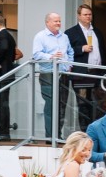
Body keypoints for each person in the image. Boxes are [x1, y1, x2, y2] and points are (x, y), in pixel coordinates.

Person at [27, 12, 72, 141]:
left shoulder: (64, 37)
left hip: (63, 74)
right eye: (55, 21)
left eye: (59, 21)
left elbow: (70, 51)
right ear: (47, 22)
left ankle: (58, 135)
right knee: (51, 106)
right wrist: (51, 57)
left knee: (62, 106)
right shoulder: (40, 36)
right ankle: (50, 136)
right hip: (48, 74)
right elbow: (36, 54)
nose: (58, 23)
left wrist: (69, 64)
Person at [65, 4, 105, 130]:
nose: (88, 17)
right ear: (79, 16)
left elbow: (103, 51)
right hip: (81, 74)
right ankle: (85, 132)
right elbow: (67, 51)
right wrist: (82, 48)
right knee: (82, 104)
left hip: (97, 72)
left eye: (90, 14)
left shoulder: (97, 31)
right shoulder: (71, 32)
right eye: (85, 14)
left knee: (98, 104)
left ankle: (96, 132)